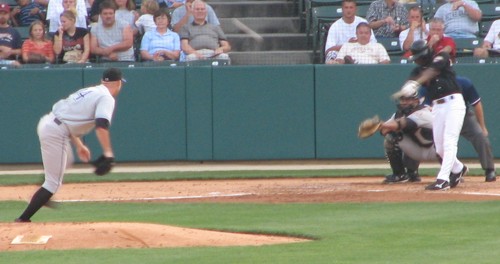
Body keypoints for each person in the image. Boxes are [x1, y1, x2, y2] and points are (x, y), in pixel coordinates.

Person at [14, 68, 125, 223]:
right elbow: (101, 125)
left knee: (66, 161)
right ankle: (23, 219)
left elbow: (68, 117)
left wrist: (79, 145)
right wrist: (108, 153)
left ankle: (43, 196)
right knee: (53, 182)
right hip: (56, 131)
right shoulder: (107, 97)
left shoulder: (91, 90)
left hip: (51, 124)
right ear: (118, 83)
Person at [402, 39, 467, 190]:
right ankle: (458, 169)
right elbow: (411, 79)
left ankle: (443, 179)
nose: (417, 60)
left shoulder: (440, 57)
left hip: (453, 103)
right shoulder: (418, 70)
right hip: (437, 106)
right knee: (439, 148)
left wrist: (417, 83)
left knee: (449, 141)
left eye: (419, 56)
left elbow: (432, 71)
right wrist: (408, 86)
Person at [420, 76, 497, 182]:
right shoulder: (428, 85)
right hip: (441, 117)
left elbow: (476, 104)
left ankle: (489, 169)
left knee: (480, 136)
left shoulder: (463, 83)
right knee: (440, 145)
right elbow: (426, 107)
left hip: (464, 116)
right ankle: (453, 171)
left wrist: (482, 126)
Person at [380, 85, 434, 183]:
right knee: (393, 137)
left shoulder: (422, 112)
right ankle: (404, 174)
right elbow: (385, 130)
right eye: (402, 99)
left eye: (408, 99)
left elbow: (404, 123)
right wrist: (380, 127)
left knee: (399, 133)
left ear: (417, 100)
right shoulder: (399, 114)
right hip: (419, 150)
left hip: (435, 151)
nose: (404, 102)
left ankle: (454, 171)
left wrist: (380, 125)